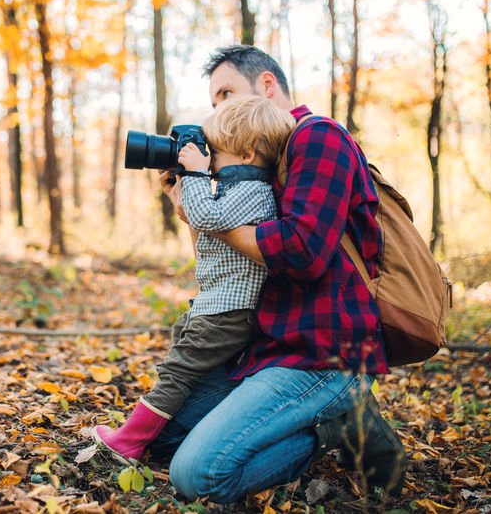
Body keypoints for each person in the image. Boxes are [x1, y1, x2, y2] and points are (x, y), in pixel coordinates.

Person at [148, 45, 406, 503]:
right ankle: (305, 420)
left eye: (226, 93)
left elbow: (303, 251)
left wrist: (212, 215)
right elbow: (220, 272)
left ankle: (331, 426)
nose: (219, 113)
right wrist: (190, 210)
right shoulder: (251, 171)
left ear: (267, 86)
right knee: (162, 439)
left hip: (323, 352)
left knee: (196, 475)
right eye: (214, 102)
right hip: (265, 345)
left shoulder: (318, 137)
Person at [93, 95, 298, 463]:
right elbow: (206, 227)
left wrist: (197, 173)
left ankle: (129, 441)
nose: (209, 159)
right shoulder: (238, 190)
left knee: (178, 370)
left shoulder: (255, 192)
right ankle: (166, 418)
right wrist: (182, 191)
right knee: (180, 348)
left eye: (215, 153)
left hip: (229, 311)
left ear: (248, 154)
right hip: (217, 304)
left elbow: (205, 217)